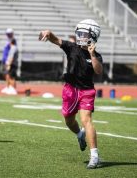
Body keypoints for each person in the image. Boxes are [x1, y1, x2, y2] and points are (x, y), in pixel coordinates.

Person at [39, 19, 103, 169]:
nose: (80, 36)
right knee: (68, 120)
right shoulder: (72, 47)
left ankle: (94, 155)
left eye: (84, 33)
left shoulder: (96, 55)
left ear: (93, 36)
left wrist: (92, 55)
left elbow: (98, 71)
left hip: (87, 90)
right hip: (70, 89)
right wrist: (48, 33)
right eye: (79, 33)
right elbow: (56, 40)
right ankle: (80, 135)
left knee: (86, 119)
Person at [0, 28, 18, 95]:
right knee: (6, 75)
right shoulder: (7, 40)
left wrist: (9, 63)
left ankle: (13, 88)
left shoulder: (13, 42)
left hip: (9, 61)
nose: (8, 35)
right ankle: (8, 87)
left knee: (10, 76)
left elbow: (12, 54)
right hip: (5, 60)